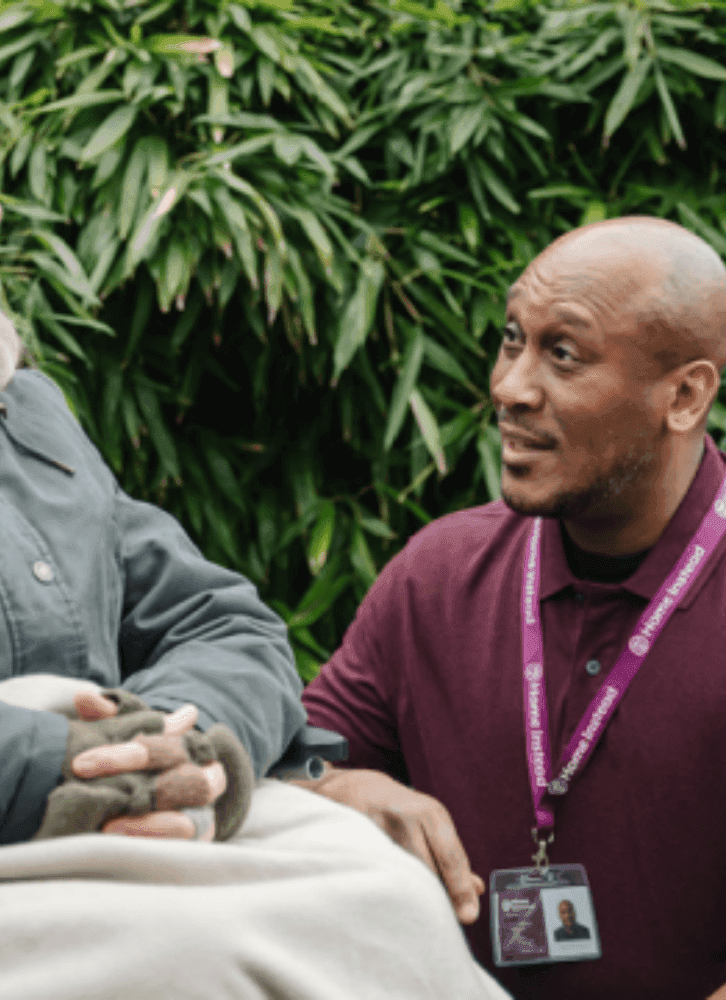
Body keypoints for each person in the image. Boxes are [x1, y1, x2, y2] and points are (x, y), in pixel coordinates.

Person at [0, 19, 509, 1000]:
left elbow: (221, 620)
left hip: (107, 839)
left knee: (386, 897)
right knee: (211, 958)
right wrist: (43, 764)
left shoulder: (22, 409)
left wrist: (187, 757)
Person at [302, 215, 726, 1000]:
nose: (509, 387)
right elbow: (285, 766)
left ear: (685, 395)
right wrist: (341, 787)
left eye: (562, 354)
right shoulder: (440, 575)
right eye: (510, 339)